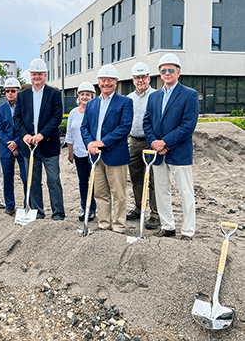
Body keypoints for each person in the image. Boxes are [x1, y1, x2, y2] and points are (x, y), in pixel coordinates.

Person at [143, 53, 199, 240]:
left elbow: (188, 125)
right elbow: (147, 123)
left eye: (170, 70)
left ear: (178, 72)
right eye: (163, 70)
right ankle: (168, 226)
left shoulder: (189, 94)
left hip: (179, 152)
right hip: (157, 153)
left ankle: (188, 231)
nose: (167, 73)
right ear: (159, 73)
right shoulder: (154, 97)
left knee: (185, 192)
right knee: (161, 191)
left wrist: (165, 142)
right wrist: (154, 143)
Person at [81, 64, 133, 234]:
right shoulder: (91, 104)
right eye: (103, 80)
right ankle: (104, 224)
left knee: (118, 194)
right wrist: (90, 143)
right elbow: (85, 127)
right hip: (96, 156)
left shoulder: (125, 102)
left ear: (116, 82)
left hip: (115, 155)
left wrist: (101, 143)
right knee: (100, 193)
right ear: (98, 82)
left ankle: (118, 226)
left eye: (110, 80)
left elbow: (124, 127)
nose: (106, 83)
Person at [13, 58, 65, 221]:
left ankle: (58, 213)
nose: (36, 77)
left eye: (40, 74)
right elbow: (17, 118)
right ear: (30, 75)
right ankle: (37, 212)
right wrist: (25, 135)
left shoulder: (54, 94)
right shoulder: (22, 95)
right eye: (34, 74)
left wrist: (42, 135)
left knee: (53, 180)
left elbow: (57, 117)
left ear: (45, 75)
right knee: (33, 181)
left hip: (49, 145)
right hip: (29, 147)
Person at [127, 63, 160, 230]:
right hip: (133, 141)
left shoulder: (156, 95)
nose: (140, 80)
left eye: (143, 77)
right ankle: (139, 208)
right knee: (136, 178)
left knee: (154, 179)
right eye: (137, 78)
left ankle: (155, 214)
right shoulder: (129, 98)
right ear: (133, 80)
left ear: (149, 78)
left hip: (151, 141)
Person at [65, 81, 97, 222]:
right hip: (78, 153)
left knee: (94, 181)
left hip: (92, 153)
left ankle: (94, 208)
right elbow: (69, 134)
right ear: (79, 96)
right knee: (83, 181)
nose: (85, 97)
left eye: (88, 95)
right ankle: (85, 207)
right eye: (82, 94)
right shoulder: (73, 113)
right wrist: (70, 152)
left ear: (92, 96)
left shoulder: (95, 111)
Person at [0, 77, 27, 216]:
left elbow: (28, 128)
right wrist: (10, 144)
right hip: (6, 149)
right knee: (8, 178)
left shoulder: (26, 107)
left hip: (23, 147)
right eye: (7, 91)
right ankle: (10, 205)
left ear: (18, 91)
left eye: (12, 91)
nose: (9, 93)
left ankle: (28, 204)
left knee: (26, 177)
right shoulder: (1, 109)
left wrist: (17, 143)